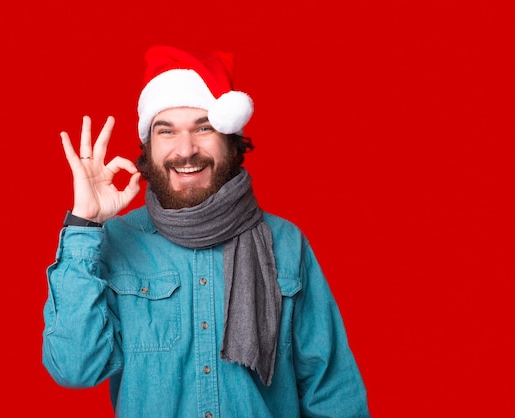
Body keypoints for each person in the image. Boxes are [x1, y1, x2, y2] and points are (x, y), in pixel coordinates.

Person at [42, 45, 370, 418]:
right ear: (149, 148)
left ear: (232, 141)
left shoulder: (285, 243)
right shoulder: (113, 241)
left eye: (204, 128)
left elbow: (332, 392)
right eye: (167, 131)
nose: (186, 150)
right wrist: (84, 224)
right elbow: (75, 369)